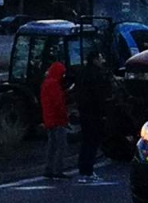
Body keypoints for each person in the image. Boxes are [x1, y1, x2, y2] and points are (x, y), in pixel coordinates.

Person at [76, 50, 111, 183]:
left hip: (85, 113)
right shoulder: (97, 76)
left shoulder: (82, 74)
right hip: (94, 114)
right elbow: (100, 96)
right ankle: (88, 170)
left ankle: (83, 169)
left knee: (86, 142)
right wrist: (103, 113)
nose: (102, 61)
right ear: (95, 59)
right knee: (93, 142)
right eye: (100, 58)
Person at [40, 48, 70, 179]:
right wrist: (65, 117)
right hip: (57, 120)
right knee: (60, 146)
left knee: (52, 146)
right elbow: (58, 104)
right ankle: (58, 169)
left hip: (49, 119)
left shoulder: (47, 83)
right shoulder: (54, 85)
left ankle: (49, 168)